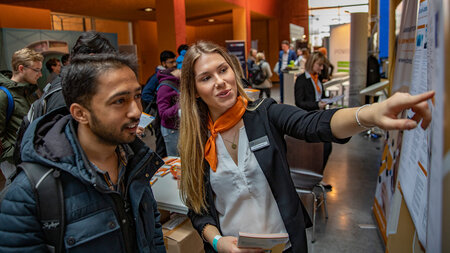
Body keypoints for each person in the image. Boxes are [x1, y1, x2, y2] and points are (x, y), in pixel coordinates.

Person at [177, 41, 434, 253]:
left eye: (223, 70)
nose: (220, 81)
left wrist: (370, 113)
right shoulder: (196, 142)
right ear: (195, 91)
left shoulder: (264, 114)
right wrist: (217, 241)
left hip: (285, 245)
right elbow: (197, 209)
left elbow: (312, 123)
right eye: (206, 78)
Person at [0, 53, 166, 252]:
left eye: (137, 96)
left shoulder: (136, 161)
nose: (137, 112)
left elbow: (152, 230)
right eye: (119, 101)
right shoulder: (30, 192)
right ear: (80, 113)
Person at [0, 48, 43, 179]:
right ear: (21, 68)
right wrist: (13, 154)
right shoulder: (3, 95)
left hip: (30, 156)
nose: (40, 74)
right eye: (36, 70)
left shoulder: (29, 92)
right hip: (14, 161)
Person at [294, 51, 332, 179]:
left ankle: (318, 176)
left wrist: (328, 99)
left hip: (319, 117)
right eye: (319, 65)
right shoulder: (301, 80)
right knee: (322, 148)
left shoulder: (318, 78)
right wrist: (317, 105)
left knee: (326, 147)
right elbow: (299, 102)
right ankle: (315, 177)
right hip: (309, 119)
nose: (321, 68)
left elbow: (319, 96)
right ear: (312, 63)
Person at [141, 50, 177, 158]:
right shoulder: (156, 77)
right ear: (163, 63)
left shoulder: (168, 74)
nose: (174, 64)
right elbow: (145, 94)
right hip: (160, 116)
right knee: (162, 147)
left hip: (166, 116)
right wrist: (159, 102)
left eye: (174, 61)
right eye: (171, 62)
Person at [156, 68, 181, 156]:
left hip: (179, 127)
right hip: (171, 130)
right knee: (175, 160)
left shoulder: (178, 81)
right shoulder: (165, 87)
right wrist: (179, 105)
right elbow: (162, 114)